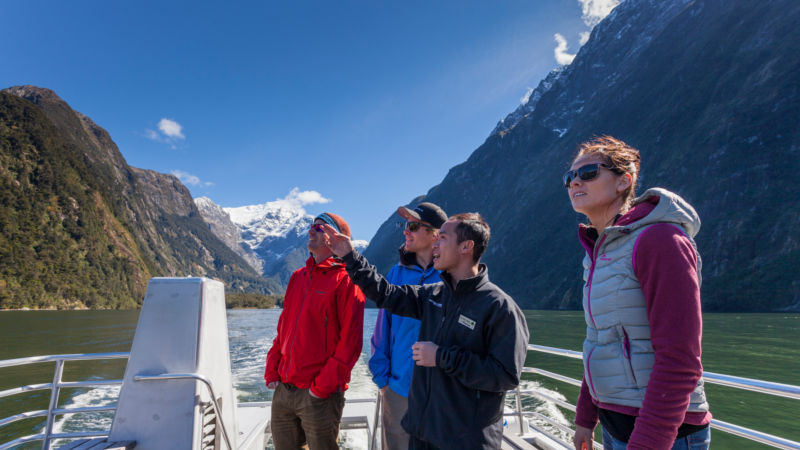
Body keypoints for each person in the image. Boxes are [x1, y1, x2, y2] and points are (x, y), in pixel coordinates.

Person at [322, 212, 530, 449]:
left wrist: (441, 357)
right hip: (422, 434)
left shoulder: (499, 307)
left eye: (442, 238)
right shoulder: (432, 295)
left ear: (466, 246)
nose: (436, 245)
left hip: (465, 440)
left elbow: (505, 376)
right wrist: (350, 257)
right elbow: (386, 293)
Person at [564, 136, 712, 450]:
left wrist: (647, 443)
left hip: (664, 432)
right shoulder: (598, 253)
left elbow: (681, 358)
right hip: (615, 424)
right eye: (569, 177)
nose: (574, 180)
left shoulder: (660, 240)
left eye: (588, 172)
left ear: (624, 182)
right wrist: (585, 418)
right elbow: (600, 341)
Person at [264, 212, 365, 450]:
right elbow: (283, 330)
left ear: (336, 238)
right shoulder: (298, 277)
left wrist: (320, 388)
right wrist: (272, 369)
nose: (311, 231)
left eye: (320, 228)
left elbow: (350, 344)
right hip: (284, 390)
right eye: (312, 226)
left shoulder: (348, 280)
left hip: (319, 393)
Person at [369, 202, 448, 450]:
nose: (406, 231)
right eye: (405, 225)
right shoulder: (396, 273)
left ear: (436, 234)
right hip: (398, 387)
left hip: (442, 391)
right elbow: (383, 328)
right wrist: (383, 379)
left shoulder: (451, 273)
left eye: (413, 225)